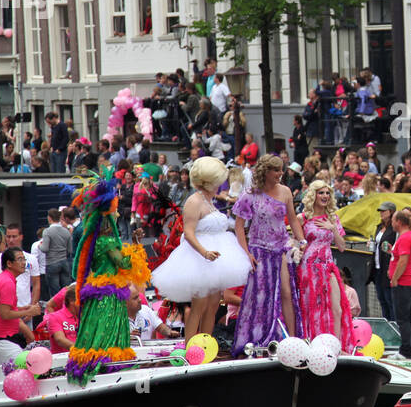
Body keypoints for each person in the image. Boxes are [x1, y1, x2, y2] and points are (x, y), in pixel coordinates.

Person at [64, 170, 151, 383]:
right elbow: (124, 264)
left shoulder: (93, 241)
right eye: (115, 211)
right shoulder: (109, 242)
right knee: (108, 332)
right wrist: (138, 247)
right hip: (110, 296)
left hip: (96, 292)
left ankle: (92, 365)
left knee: (94, 331)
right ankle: (108, 369)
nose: (118, 214)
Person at [152, 157, 252, 342]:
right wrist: (204, 252)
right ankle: (191, 346)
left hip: (215, 257)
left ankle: (205, 344)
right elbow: (189, 233)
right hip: (199, 257)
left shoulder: (210, 201)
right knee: (199, 305)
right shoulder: (194, 201)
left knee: (213, 304)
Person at [233, 154, 307, 355]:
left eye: (282, 170)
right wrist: (246, 253)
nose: (281, 174)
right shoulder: (250, 195)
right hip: (259, 250)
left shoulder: (285, 191)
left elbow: (292, 220)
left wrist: (302, 242)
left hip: (282, 247)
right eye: (277, 170)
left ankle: (293, 339)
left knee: (286, 292)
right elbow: (239, 226)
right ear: (266, 172)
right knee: (261, 296)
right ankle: (259, 337)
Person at [297, 180, 354, 350]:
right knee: (310, 307)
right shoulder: (303, 217)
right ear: (313, 195)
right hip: (308, 267)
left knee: (337, 308)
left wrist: (333, 228)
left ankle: (337, 346)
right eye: (321, 193)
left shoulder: (333, 218)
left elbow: (342, 247)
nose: (325, 196)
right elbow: (296, 241)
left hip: (327, 266)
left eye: (327, 193)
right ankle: (311, 344)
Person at [388, 208, 411, 358]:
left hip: (404, 283)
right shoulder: (410, 237)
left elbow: (403, 261)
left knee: (403, 318)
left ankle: (406, 350)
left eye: (393, 220)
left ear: (399, 222)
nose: (391, 223)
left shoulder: (404, 238)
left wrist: (394, 278)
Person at [366, 201, 397, 322]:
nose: (381, 213)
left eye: (384, 211)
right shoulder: (379, 227)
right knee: (382, 299)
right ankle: (386, 325)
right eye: (381, 211)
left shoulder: (394, 229)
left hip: (387, 267)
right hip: (377, 267)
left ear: (391, 212)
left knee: (390, 300)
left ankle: (394, 326)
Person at [39, 208, 73, 300]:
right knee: (67, 290)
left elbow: (45, 248)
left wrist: (39, 246)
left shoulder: (47, 231)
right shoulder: (66, 231)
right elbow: (70, 250)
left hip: (52, 263)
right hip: (64, 263)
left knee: (55, 293)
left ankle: (57, 311)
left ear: (50, 218)